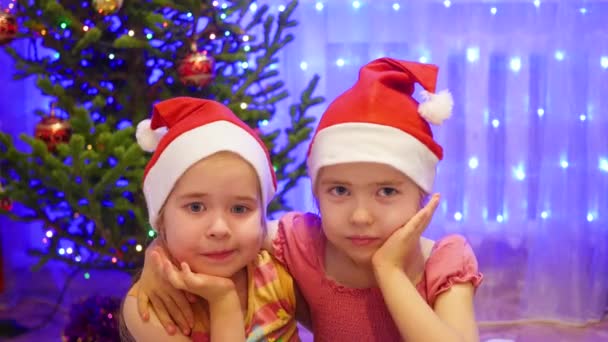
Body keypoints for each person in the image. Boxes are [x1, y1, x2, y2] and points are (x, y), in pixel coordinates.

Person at [136, 58, 483, 341]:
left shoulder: (443, 264)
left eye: (387, 191)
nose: (361, 216)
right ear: (316, 194)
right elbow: (231, 231)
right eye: (340, 191)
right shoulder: (303, 244)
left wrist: (389, 270)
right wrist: (157, 258)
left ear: (421, 196)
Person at [120, 97, 299, 341]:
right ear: (161, 219)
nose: (219, 229)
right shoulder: (151, 307)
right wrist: (223, 299)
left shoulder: (276, 273)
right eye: (195, 207)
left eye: (239, 209)